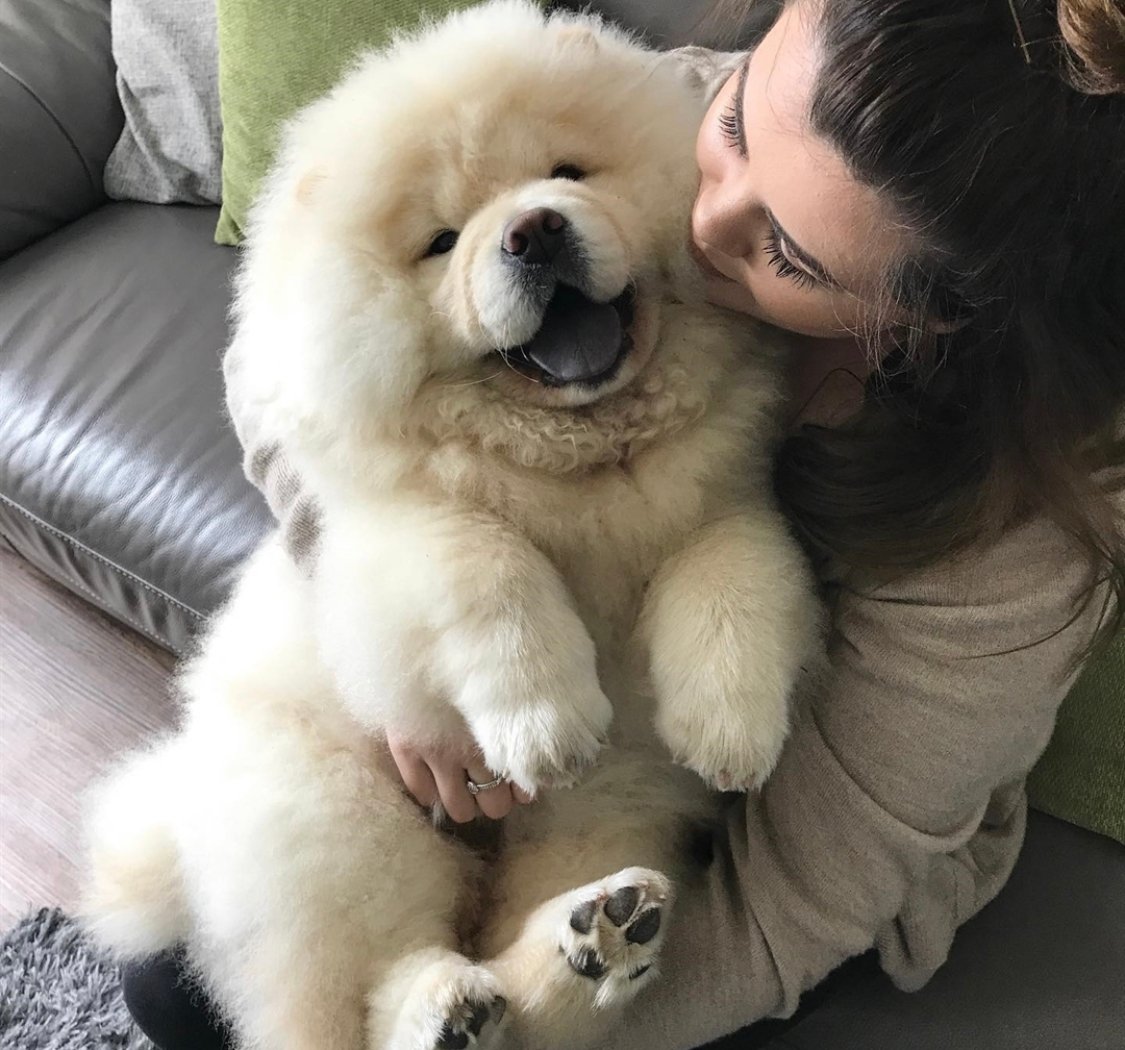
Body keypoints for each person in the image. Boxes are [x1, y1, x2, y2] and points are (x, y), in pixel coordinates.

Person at [121, 0, 1125, 1047]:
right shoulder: (635, 108)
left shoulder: (1020, 543)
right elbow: (287, 353)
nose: (706, 221)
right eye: (734, 130)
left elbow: (794, 903)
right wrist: (411, 627)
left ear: (937, 315)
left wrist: (537, 1028)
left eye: (786, 252)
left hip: (740, 838)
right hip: (498, 721)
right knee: (175, 976)